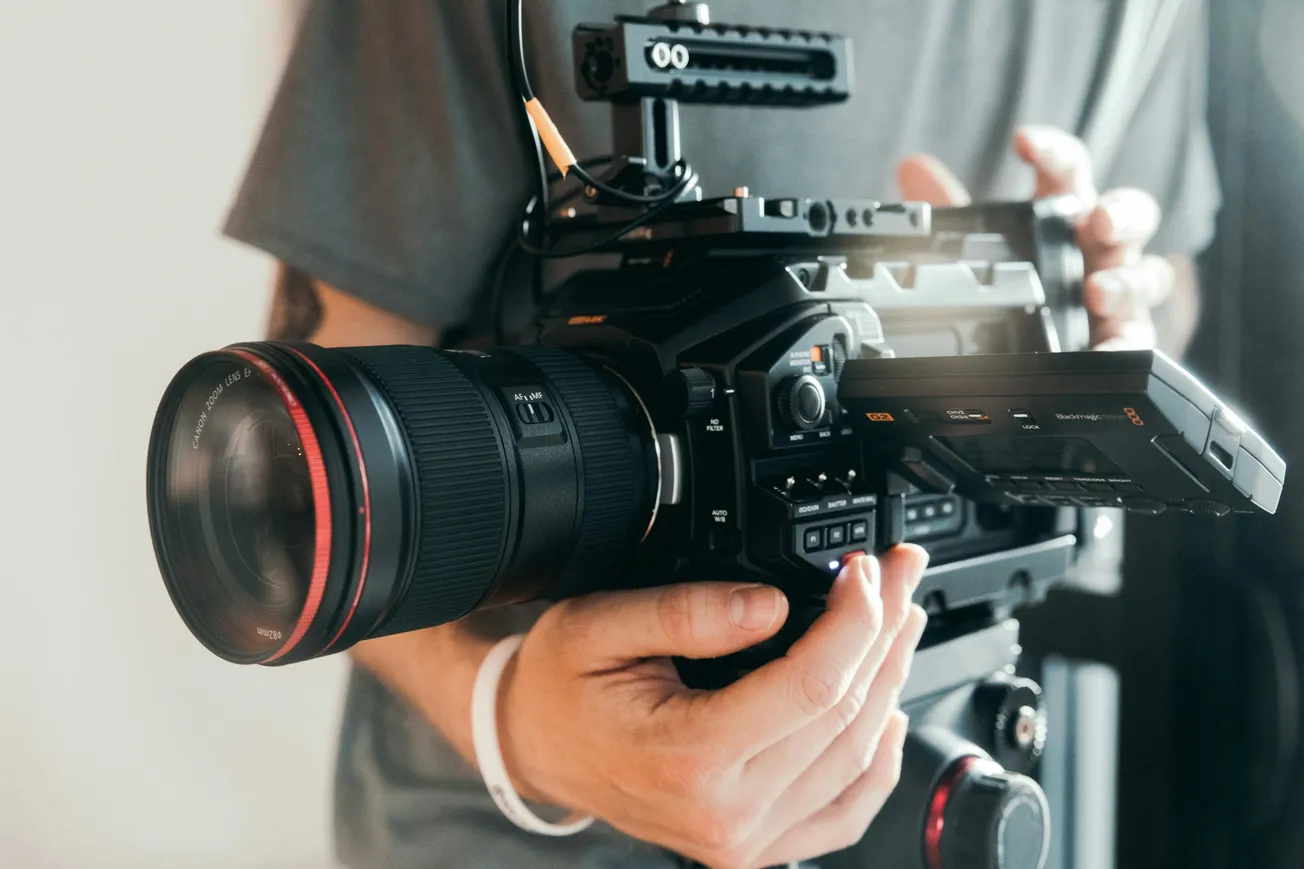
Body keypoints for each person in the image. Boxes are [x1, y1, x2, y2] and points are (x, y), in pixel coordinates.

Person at [223, 2, 1219, 867]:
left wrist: (1078, 306)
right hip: (505, 824)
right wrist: (506, 716)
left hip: (939, 737)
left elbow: (1164, 295)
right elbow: (310, 462)